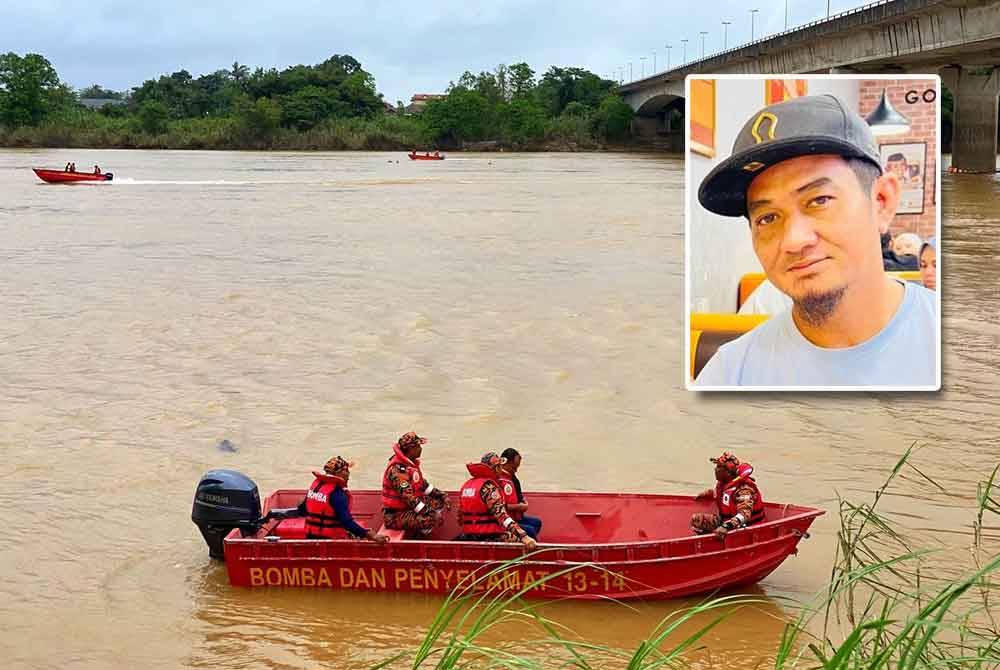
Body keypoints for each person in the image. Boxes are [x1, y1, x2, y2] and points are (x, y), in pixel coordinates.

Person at [696, 94, 938, 387]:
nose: (794, 241)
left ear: (881, 201)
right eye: (768, 218)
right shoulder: (728, 375)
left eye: (819, 200)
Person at [299, 456, 388, 543]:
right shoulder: (337, 494)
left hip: (310, 538)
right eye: (346, 471)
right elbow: (347, 522)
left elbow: (302, 510)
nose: (348, 475)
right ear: (339, 473)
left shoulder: (316, 486)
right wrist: (370, 535)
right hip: (330, 541)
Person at [457, 452, 536, 548]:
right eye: (499, 467)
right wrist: (523, 536)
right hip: (488, 535)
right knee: (526, 540)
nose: (501, 470)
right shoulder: (490, 488)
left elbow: (460, 518)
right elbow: (502, 516)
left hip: (468, 534)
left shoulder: (466, 485)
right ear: (495, 468)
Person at [381, 431, 449, 536]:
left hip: (408, 507)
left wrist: (442, 495)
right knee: (429, 519)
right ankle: (419, 534)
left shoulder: (410, 464)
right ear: (410, 449)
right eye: (418, 446)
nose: (421, 449)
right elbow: (408, 498)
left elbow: (422, 485)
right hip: (395, 514)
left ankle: (420, 529)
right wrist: (431, 513)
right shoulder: (397, 470)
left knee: (439, 502)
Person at [690, 451, 765, 538]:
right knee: (697, 520)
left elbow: (744, 514)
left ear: (728, 472)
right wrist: (708, 494)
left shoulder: (744, 489)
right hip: (727, 521)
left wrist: (726, 527)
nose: (715, 469)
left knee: (717, 528)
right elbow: (721, 495)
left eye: (718, 467)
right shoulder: (724, 483)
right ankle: (710, 541)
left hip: (745, 527)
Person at [498, 447, 542, 539]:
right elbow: (500, 506)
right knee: (530, 530)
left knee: (536, 523)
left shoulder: (511, 478)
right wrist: (521, 506)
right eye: (515, 466)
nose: (516, 469)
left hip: (515, 517)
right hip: (505, 521)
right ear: (507, 462)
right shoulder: (502, 480)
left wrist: (522, 501)